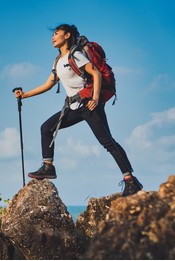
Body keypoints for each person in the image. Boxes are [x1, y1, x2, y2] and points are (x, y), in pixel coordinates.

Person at [13, 24, 143, 197]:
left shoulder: (76, 55)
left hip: (89, 104)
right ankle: (48, 167)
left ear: (67, 35)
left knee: (107, 142)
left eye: (56, 34)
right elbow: (49, 84)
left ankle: (131, 180)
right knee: (46, 128)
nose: (53, 38)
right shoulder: (58, 61)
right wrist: (25, 95)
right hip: (73, 107)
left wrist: (95, 99)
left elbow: (95, 73)